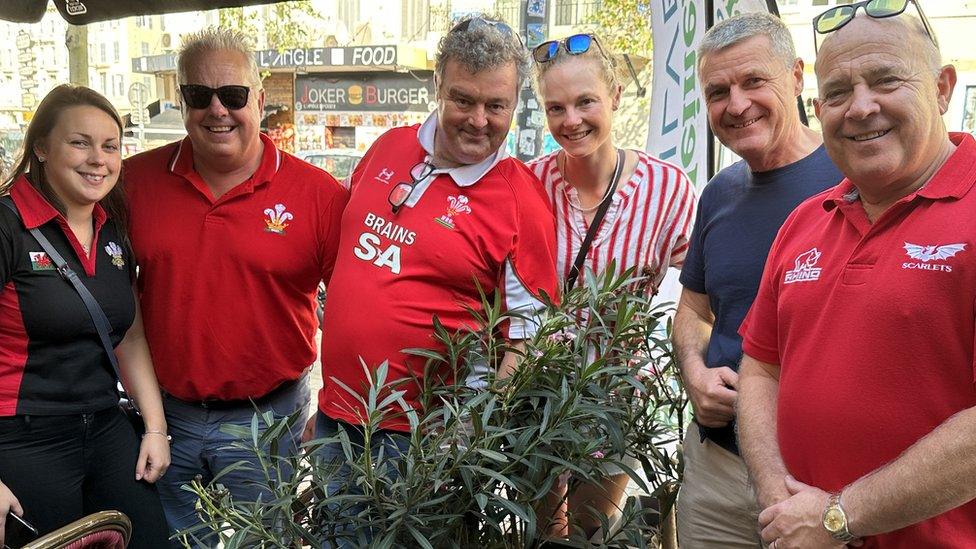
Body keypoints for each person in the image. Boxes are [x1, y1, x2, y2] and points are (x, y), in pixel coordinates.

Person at [312, 13, 559, 542]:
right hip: (337, 418)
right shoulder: (388, 147)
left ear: (515, 105)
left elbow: (529, 333)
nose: (478, 120)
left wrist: (470, 433)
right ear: (437, 88)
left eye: (497, 105)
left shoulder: (519, 201)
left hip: (425, 437)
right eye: (463, 100)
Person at [738, 3, 976, 547]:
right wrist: (779, 497)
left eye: (886, 80)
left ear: (942, 87)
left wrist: (837, 517)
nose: (860, 108)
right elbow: (760, 370)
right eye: (838, 92)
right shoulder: (804, 221)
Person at [124, 27, 348, 544]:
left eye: (234, 95)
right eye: (199, 96)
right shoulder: (133, 182)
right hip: (166, 417)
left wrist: (335, 407)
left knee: (265, 540)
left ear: (261, 100)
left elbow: (350, 311)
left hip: (269, 419)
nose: (217, 109)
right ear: (183, 102)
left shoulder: (317, 195)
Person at [672, 12, 842, 547]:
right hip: (717, 468)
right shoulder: (719, 193)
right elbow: (693, 312)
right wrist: (695, 372)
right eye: (718, 91)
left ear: (795, 77)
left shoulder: (853, 175)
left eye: (753, 81)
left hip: (823, 479)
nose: (736, 104)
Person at [528, 32, 696, 538]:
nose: (571, 120)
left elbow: (702, 292)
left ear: (616, 95)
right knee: (543, 532)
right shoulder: (527, 183)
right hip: (532, 391)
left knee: (588, 530)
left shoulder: (668, 189)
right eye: (556, 108)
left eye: (585, 102)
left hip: (616, 395)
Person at [0, 84, 169, 547]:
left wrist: (155, 428)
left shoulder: (110, 228)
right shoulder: (7, 226)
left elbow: (129, 336)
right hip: (22, 438)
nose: (98, 158)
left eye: (110, 146)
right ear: (41, 147)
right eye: (80, 142)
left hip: (105, 425)